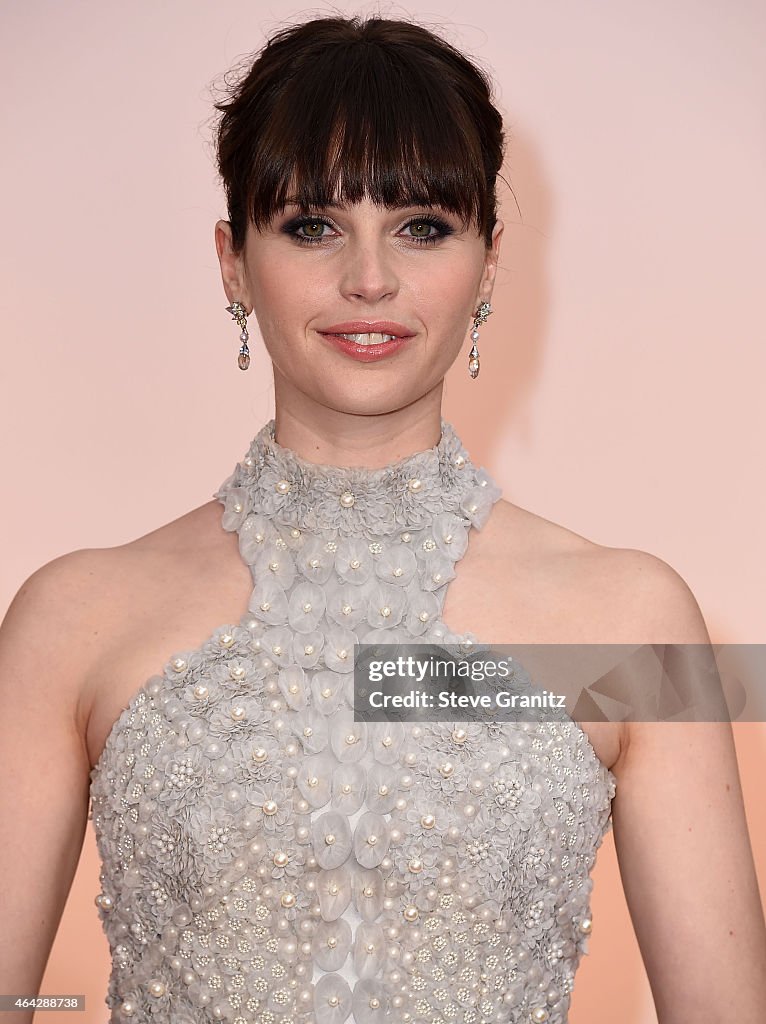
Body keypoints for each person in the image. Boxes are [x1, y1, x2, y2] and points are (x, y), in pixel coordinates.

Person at [1, 13, 764, 1024]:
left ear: (488, 264)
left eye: (422, 226)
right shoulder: (70, 620)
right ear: (233, 261)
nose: (369, 279)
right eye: (312, 224)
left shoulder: (634, 617)